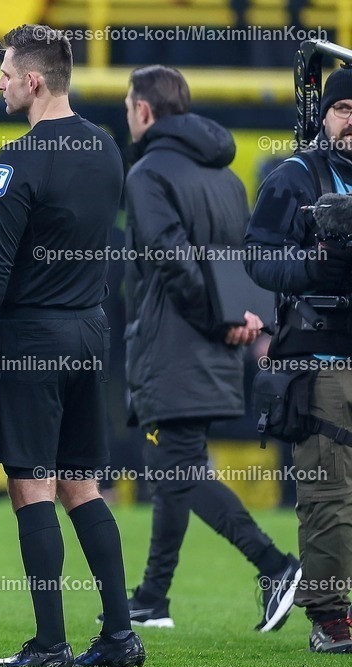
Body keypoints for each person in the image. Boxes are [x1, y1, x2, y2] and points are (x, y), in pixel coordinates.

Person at [0, 25, 144, 667]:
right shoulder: (106, 148)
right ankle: (119, 633)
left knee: (31, 486)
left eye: (5, 73)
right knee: (83, 486)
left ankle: (51, 642)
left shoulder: (17, 159)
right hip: (90, 331)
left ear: (33, 81)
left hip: (32, 335)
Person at [119, 64, 300, 632]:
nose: (128, 115)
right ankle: (151, 598)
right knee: (175, 463)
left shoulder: (148, 174)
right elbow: (244, 257)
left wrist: (221, 321)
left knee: (176, 467)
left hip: (176, 342)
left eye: (129, 106)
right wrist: (246, 321)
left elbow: (171, 258)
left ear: (145, 111)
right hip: (220, 340)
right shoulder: (227, 177)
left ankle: (276, 566)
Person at [245, 66, 352, 654]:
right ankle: (331, 619)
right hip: (321, 356)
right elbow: (258, 259)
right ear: (323, 115)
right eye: (343, 109)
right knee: (330, 493)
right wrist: (318, 265)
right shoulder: (295, 178)